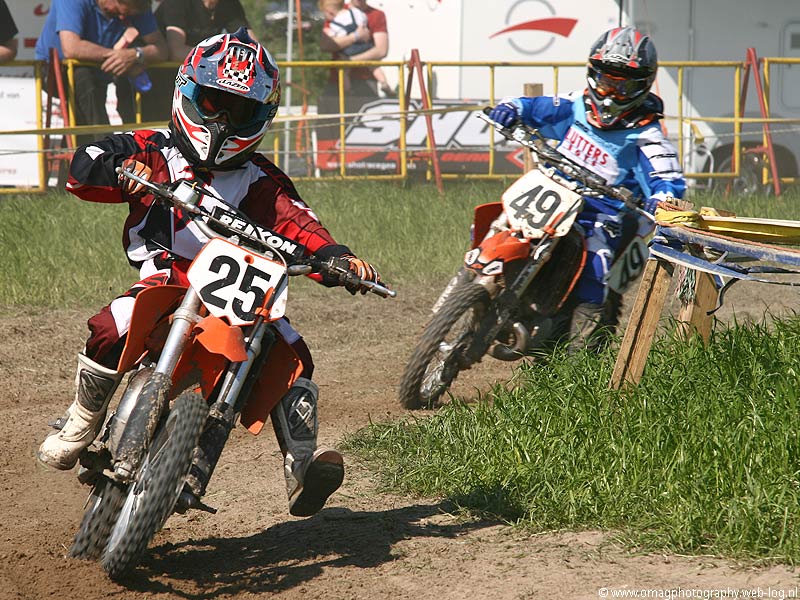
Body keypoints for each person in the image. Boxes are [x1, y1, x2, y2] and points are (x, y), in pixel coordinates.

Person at [36, 28, 384, 518]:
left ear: (261, 117)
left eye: (238, 111)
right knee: (116, 321)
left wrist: (337, 257)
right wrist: (118, 169)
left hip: (240, 292)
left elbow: (301, 224)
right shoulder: (154, 148)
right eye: (214, 103)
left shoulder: (261, 180)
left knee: (291, 352)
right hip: (168, 277)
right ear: (187, 92)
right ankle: (83, 418)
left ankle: (301, 465)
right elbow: (86, 162)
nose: (222, 121)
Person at [488, 26, 686, 351]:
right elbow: (534, 107)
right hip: (553, 190)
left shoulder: (646, 133)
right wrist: (511, 109)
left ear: (642, 85)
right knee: (500, 217)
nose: (611, 94)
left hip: (602, 212)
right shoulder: (575, 104)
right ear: (594, 75)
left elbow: (668, 177)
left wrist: (662, 197)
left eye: (623, 86)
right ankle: (478, 285)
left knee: (598, 263)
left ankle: (582, 352)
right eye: (607, 81)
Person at [34, 0, 167, 141]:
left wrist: (136, 55)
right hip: (55, 72)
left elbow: (161, 49)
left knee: (137, 75)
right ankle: (107, 147)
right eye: (120, 11)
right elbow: (71, 47)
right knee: (84, 77)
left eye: (128, 14)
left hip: (98, 72)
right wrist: (119, 57)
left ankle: (143, 143)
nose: (123, 18)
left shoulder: (136, 5)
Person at [139, 0, 254, 121]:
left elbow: (253, 50)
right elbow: (176, 52)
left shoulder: (230, 4)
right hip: (155, 87)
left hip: (193, 86)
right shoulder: (177, 3)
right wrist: (222, 59)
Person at [317, 0, 390, 121]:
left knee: (366, 123)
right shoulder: (335, 9)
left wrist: (349, 60)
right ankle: (380, 83)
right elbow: (326, 44)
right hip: (336, 81)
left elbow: (381, 50)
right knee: (330, 123)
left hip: (365, 82)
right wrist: (355, 36)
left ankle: (383, 83)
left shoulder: (376, 15)